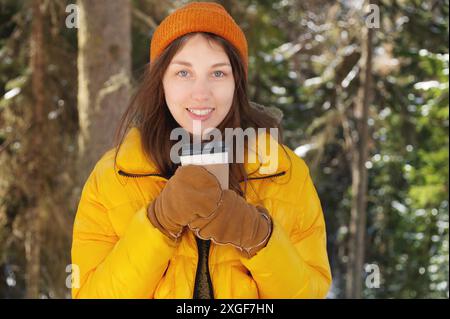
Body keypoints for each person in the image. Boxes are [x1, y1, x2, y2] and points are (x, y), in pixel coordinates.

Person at [71, 1, 332, 299]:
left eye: (218, 73)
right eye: (183, 73)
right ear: (161, 82)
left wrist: (259, 238)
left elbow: (311, 293)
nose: (201, 93)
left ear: (237, 83)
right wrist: (159, 221)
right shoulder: (114, 177)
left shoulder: (286, 175)